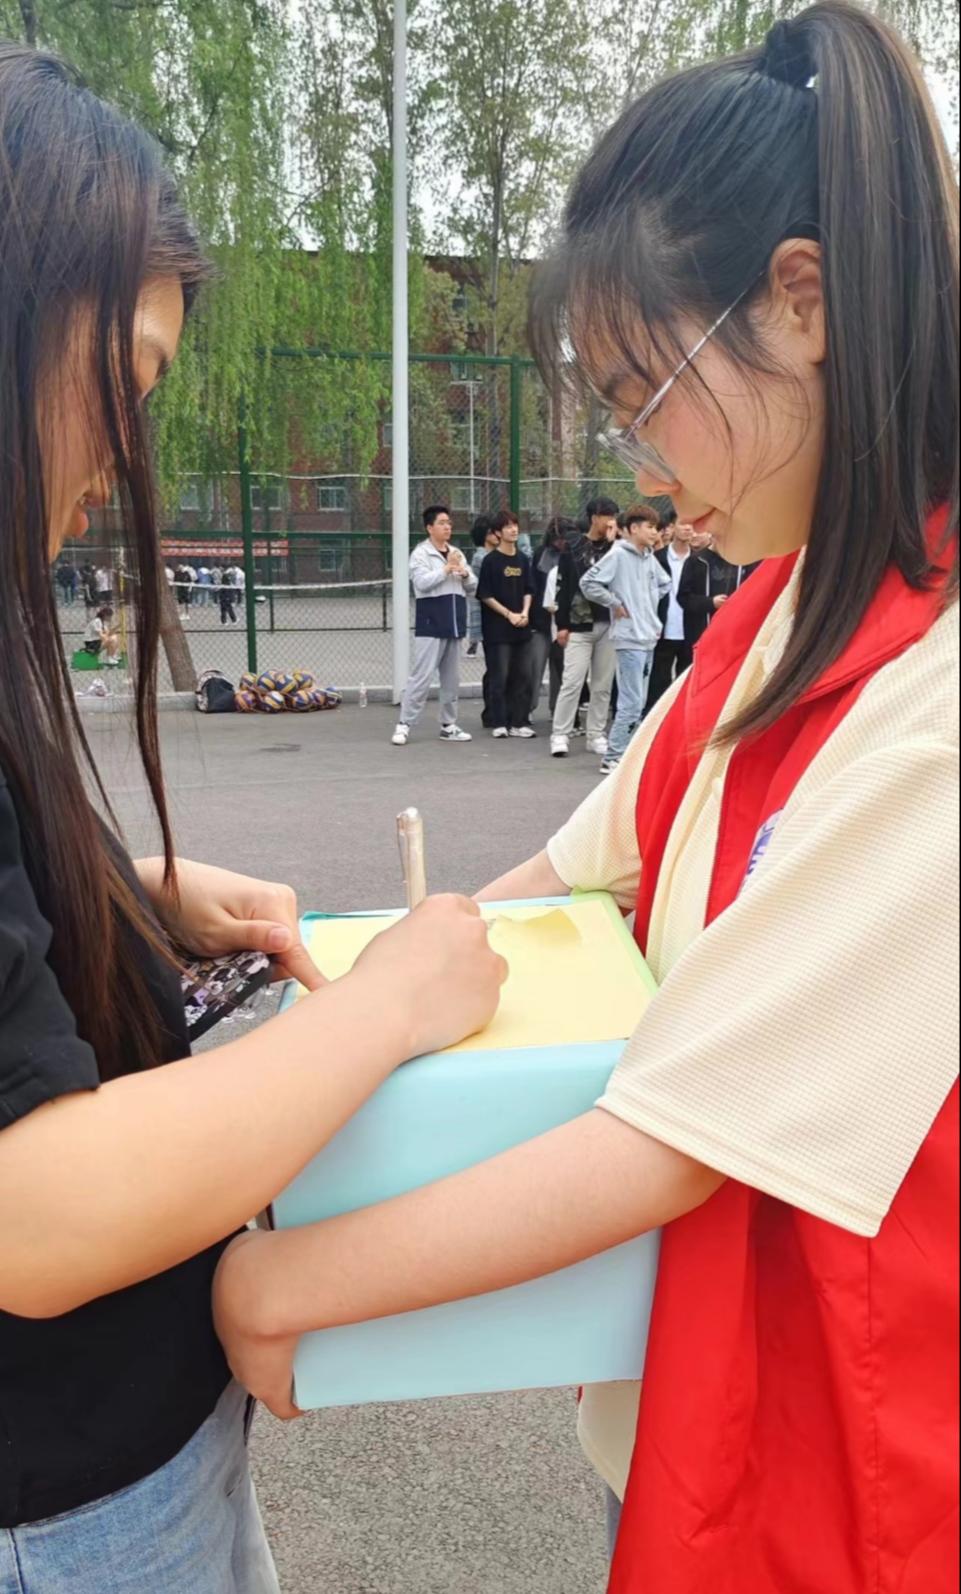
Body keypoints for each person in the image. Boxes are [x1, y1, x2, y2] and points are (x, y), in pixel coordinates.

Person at [212, 8, 959, 1591]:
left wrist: (288, 1278)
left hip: (846, 1466)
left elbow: (666, 1142)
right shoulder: (780, 612)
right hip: (708, 1390)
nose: (633, 452)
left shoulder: (934, 697)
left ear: (804, 304)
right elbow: (563, 881)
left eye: (645, 387)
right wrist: (352, 1003)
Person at [0, 43, 505, 1594]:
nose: (125, 454)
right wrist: (385, 1007)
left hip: (124, 1449)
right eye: (129, 380)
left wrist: (115, 885)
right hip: (65, 1500)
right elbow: (32, 1209)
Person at [581, 506, 671, 775]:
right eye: (649, 527)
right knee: (631, 702)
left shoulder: (649, 558)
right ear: (633, 528)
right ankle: (614, 756)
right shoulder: (618, 555)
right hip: (629, 638)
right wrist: (615, 603)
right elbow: (589, 583)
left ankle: (627, 754)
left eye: (656, 527)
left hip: (647, 636)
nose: (654, 532)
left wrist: (649, 614)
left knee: (638, 701)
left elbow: (665, 583)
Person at [392, 506, 477, 746]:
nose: (447, 527)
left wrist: (464, 574)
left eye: (449, 522)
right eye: (441, 523)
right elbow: (421, 583)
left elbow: (473, 586)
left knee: (451, 679)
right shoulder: (421, 554)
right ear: (430, 528)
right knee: (422, 676)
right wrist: (446, 569)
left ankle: (448, 725)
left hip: (455, 622)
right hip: (431, 622)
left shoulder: (457, 553)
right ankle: (404, 723)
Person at [550, 495, 620, 758]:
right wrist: (562, 624)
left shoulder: (618, 549)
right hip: (579, 624)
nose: (611, 522)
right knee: (572, 681)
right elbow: (566, 584)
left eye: (614, 516)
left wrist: (614, 545)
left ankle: (596, 734)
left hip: (609, 624)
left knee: (603, 684)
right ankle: (560, 733)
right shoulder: (574, 545)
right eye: (607, 516)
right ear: (594, 518)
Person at [476, 509, 536, 739]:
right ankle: (499, 722)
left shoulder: (523, 559)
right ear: (497, 533)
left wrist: (524, 612)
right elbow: (485, 594)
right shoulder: (490, 561)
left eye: (515, 525)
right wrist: (508, 614)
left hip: (522, 628)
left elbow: (529, 589)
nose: (513, 530)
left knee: (523, 676)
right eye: (508, 526)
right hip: (497, 631)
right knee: (499, 676)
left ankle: (519, 722)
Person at [529, 517, 573, 716]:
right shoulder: (541, 554)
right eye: (558, 538)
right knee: (535, 668)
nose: (561, 542)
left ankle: (558, 709)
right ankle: (528, 708)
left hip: (562, 621)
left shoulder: (571, 555)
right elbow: (534, 587)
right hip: (541, 620)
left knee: (561, 669)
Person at [677, 543, 761, 643]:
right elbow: (683, 597)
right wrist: (711, 602)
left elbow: (756, 594)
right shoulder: (697, 560)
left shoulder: (745, 561)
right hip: (703, 631)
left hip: (734, 631)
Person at [466, 514, 498, 659]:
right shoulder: (481, 557)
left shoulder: (495, 555)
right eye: (492, 532)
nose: (496, 535)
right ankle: (473, 644)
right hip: (486, 607)